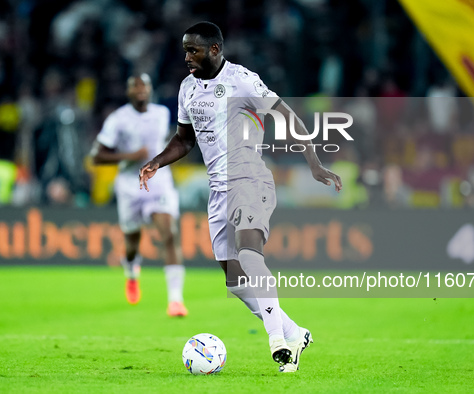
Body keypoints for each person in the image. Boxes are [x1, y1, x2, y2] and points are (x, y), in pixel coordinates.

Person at [139, 22, 342, 372]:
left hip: (250, 179)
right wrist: (157, 161)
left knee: (249, 252)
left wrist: (315, 164)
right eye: (185, 49)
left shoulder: (242, 80)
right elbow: (185, 140)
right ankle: (295, 333)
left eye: (194, 50)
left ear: (215, 49)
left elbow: (286, 116)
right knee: (234, 280)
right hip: (217, 190)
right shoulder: (187, 88)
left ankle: (277, 340)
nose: (187, 56)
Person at [91, 73, 187, 317]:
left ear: (150, 89)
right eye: (136, 86)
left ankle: (175, 300)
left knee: (169, 233)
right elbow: (97, 156)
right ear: (129, 91)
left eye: (145, 85)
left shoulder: (162, 113)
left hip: (158, 183)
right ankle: (132, 273)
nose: (141, 90)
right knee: (132, 241)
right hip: (129, 185)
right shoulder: (118, 119)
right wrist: (130, 156)